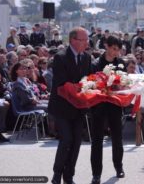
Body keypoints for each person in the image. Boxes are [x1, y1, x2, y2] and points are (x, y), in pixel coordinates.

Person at [48, 27, 92, 184]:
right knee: (66, 139)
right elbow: (62, 83)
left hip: (79, 107)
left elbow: (88, 80)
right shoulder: (60, 57)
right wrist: (80, 88)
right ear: (73, 40)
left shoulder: (87, 57)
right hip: (62, 106)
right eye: (84, 39)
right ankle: (57, 174)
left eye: (87, 39)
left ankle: (69, 176)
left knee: (76, 142)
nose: (87, 42)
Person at [90, 36, 125, 184]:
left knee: (117, 138)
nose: (116, 52)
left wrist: (121, 86)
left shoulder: (121, 63)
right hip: (98, 106)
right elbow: (91, 83)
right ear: (106, 46)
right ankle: (96, 174)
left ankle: (119, 167)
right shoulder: (96, 63)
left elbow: (126, 83)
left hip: (115, 105)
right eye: (113, 49)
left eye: (118, 49)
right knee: (97, 141)